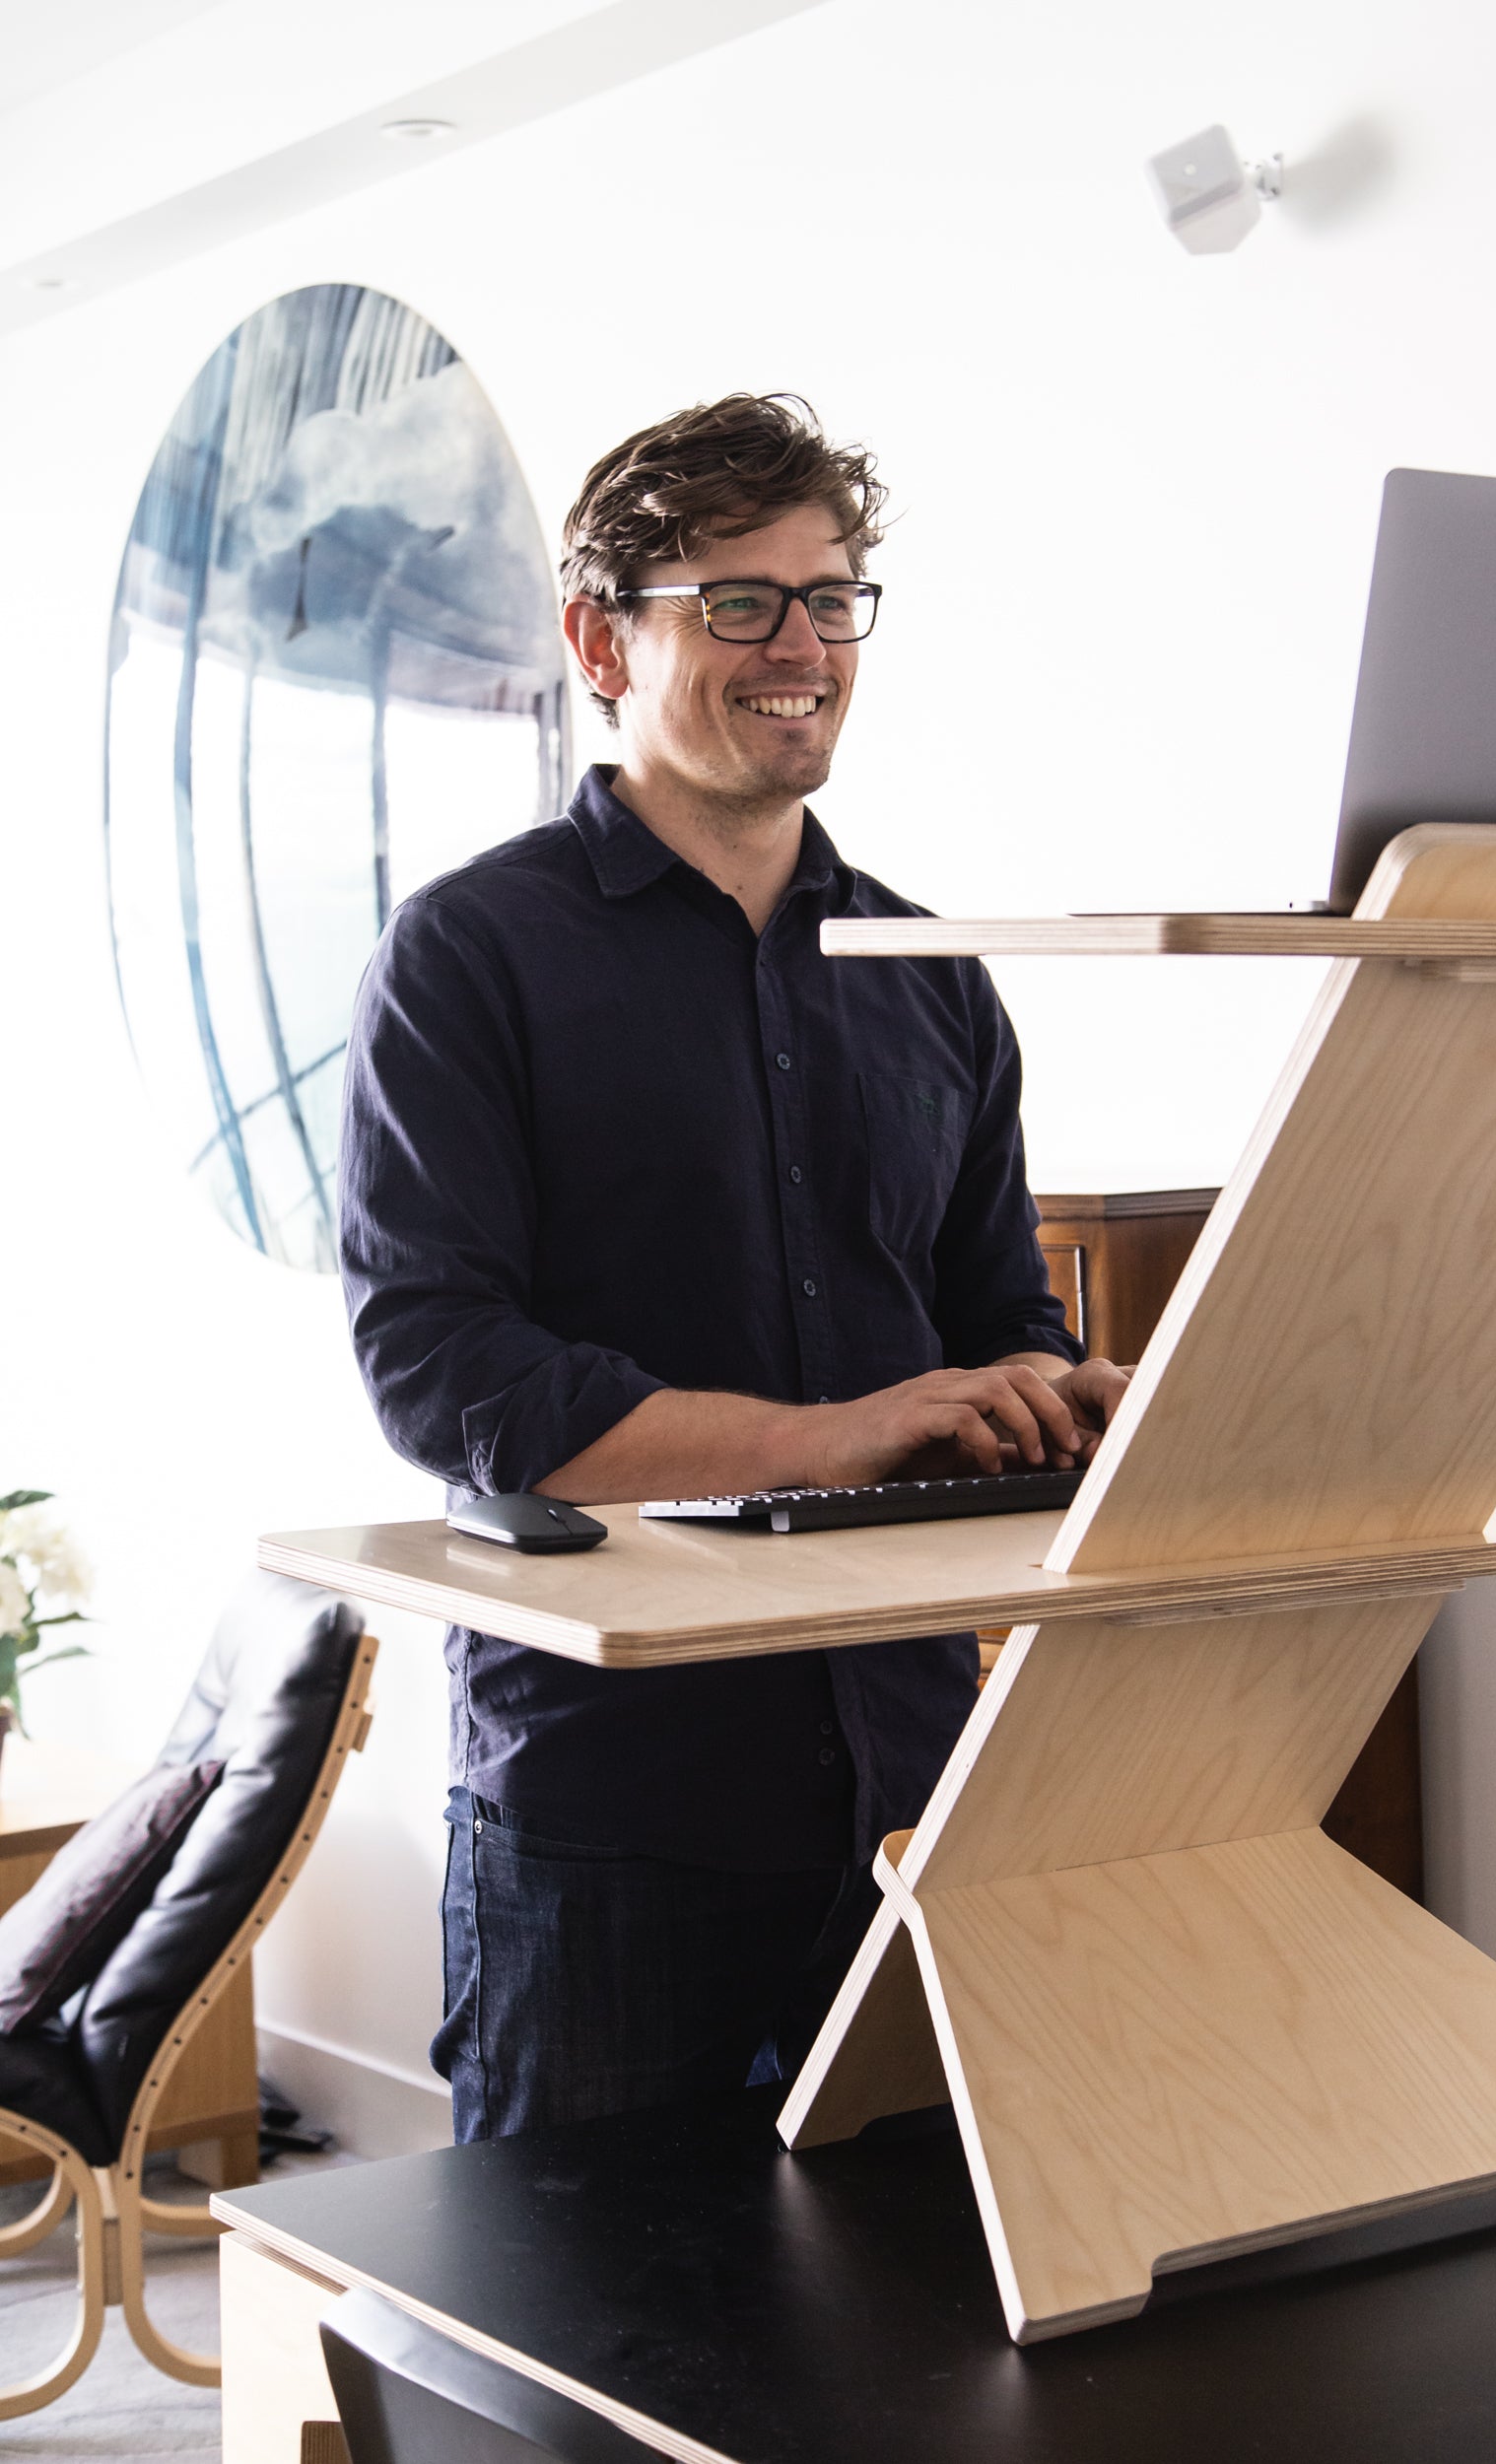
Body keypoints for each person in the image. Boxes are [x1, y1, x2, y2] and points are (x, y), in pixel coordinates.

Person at [339, 392, 1128, 2140]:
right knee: (577, 2369)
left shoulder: (932, 970)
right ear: (599, 637)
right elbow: (450, 1375)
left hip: (918, 1794)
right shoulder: (468, 954)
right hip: (614, 1812)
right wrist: (828, 1435)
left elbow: (992, 1315)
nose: (802, 646)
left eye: (831, 595)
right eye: (739, 600)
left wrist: (1057, 1393)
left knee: (931, 2361)